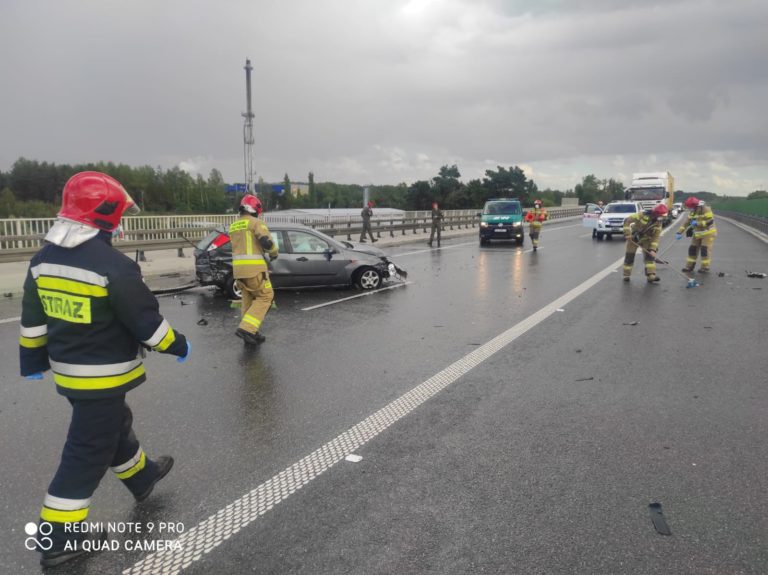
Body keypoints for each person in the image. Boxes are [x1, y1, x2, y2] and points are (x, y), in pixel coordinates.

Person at [18, 172, 190, 567]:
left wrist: (32, 362)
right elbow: (146, 324)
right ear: (106, 215)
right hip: (104, 376)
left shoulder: (42, 261)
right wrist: (179, 345)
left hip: (70, 374)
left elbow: (32, 321)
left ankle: (142, 476)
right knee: (86, 451)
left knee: (113, 424)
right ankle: (58, 538)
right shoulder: (114, 266)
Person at [230, 194, 278, 345]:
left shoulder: (234, 226)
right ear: (255, 209)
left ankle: (251, 333)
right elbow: (267, 242)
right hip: (254, 269)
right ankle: (247, 328)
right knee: (266, 296)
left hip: (238, 271)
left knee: (248, 299)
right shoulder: (256, 223)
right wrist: (274, 253)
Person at [622, 204, 668, 283]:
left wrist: (653, 249)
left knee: (649, 257)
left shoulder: (658, 223)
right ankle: (626, 275)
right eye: (661, 216)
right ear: (656, 214)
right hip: (634, 238)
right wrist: (627, 234)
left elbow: (656, 237)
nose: (662, 218)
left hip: (647, 240)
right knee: (629, 256)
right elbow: (627, 220)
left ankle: (651, 275)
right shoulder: (641, 215)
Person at [676, 197, 716, 273]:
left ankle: (705, 267)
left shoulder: (706, 209)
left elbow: (710, 221)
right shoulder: (692, 212)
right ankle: (689, 267)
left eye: (690, 207)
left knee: (704, 250)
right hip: (697, 233)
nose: (689, 209)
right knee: (692, 249)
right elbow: (686, 223)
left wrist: (698, 223)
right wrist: (679, 232)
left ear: (695, 206)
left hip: (708, 233)